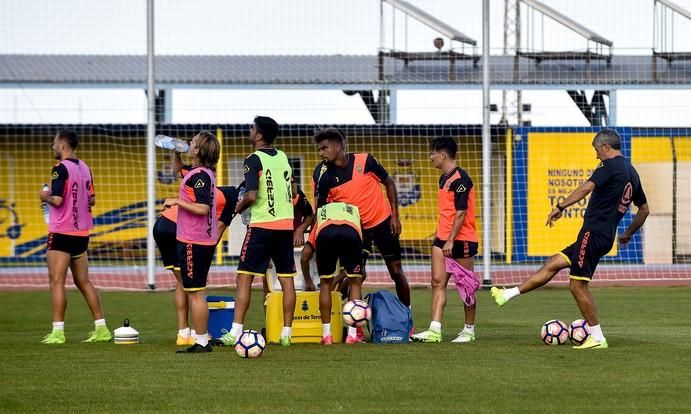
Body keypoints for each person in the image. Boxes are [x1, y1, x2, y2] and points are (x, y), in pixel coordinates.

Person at [491, 128, 650, 350]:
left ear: (605, 147)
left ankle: (597, 337)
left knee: (577, 286)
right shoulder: (632, 172)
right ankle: (508, 294)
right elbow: (644, 209)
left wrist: (560, 206)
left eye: (597, 150)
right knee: (554, 262)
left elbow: (586, 188)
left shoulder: (609, 165)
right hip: (604, 235)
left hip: (592, 233)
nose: (596, 156)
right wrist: (628, 233)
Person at [312, 128, 411, 319]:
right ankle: (348, 322)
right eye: (319, 149)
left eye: (324, 148)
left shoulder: (366, 161)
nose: (321, 153)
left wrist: (395, 216)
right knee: (355, 275)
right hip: (355, 230)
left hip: (383, 223)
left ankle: (408, 316)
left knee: (396, 272)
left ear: (339, 146)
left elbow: (389, 182)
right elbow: (322, 209)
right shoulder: (324, 175)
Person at [219, 116, 298, 347]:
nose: (249, 130)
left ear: (259, 135)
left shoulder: (253, 159)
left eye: (252, 128)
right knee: (286, 280)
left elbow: (252, 195)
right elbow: (293, 191)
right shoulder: (283, 157)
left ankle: (235, 332)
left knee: (243, 277)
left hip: (262, 226)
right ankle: (286, 334)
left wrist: (237, 208)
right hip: (285, 225)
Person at [154, 152, 238, 346]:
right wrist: (204, 254)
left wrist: (175, 154)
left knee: (182, 283)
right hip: (178, 228)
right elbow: (218, 229)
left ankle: (184, 333)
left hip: (162, 224)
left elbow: (178, 170)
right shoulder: (231, 196)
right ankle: (199, 336)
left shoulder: (196, 175)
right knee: (193, 288)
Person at [38, 130, 111, 344]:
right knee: (84, 281)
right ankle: (102, 329)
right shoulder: (85, 167)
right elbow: (92, 200)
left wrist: (45, 196)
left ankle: (58, 332)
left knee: (57, 282)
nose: (53, 147)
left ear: (62, 145)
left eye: (54, 143)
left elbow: (58, 200)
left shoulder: (60, 169)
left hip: (62, 232)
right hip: (81, 233)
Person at [412, 136, 478, 343]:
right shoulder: (443, 178)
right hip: (442, 239)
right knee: (437, 282)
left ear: (443, 154)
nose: (430, 157)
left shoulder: (461, 180)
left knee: (466, 285)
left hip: (462, 240)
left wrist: (450, 240)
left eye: (433, 153)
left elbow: (460, 213)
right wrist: (441, 236)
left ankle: (469, 331)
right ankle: (434, 330)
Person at [163, 131, 221, 353]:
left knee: (195, 293)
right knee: (195, 291)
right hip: (199, 240)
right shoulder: (198, 172)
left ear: (197, 150)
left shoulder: (200, 177)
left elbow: (203, 207)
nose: (189, 143)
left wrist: (176, 201)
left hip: (193, 241)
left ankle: (202, 342)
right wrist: (175, 153)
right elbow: (178, 171)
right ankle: (203, 337)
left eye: (192, 143)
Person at [305, 202, 364, 345]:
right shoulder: (354, 209)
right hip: (352, 233)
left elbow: (305, 255)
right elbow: (361, 238)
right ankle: (352, 335)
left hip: (326, 234)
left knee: (325, 283)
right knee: (355, 282)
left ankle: (327, 336)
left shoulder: (322, 211)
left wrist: (308, 280)